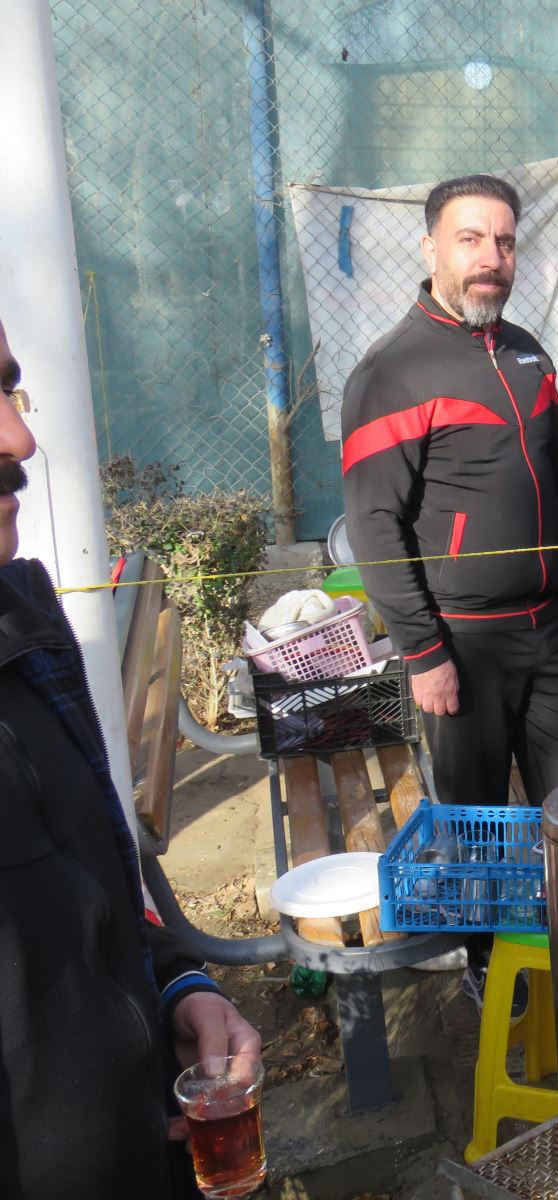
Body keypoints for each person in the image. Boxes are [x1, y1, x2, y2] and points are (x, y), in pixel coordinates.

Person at [0, 317, 261, 1199]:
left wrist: (178, 988)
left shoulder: (25, 636)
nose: (20, 440)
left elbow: (93, 896)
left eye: (7, 388)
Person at [341, 174, 558, 995]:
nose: (491, 257)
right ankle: (488, 969)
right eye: (470, 239)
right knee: (479, 820)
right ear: (431, 249)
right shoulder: (391, 372)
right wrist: (424, 652)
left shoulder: (528, 353)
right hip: (461, 642)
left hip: (546, 627)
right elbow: (374, 526)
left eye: (504, 242)